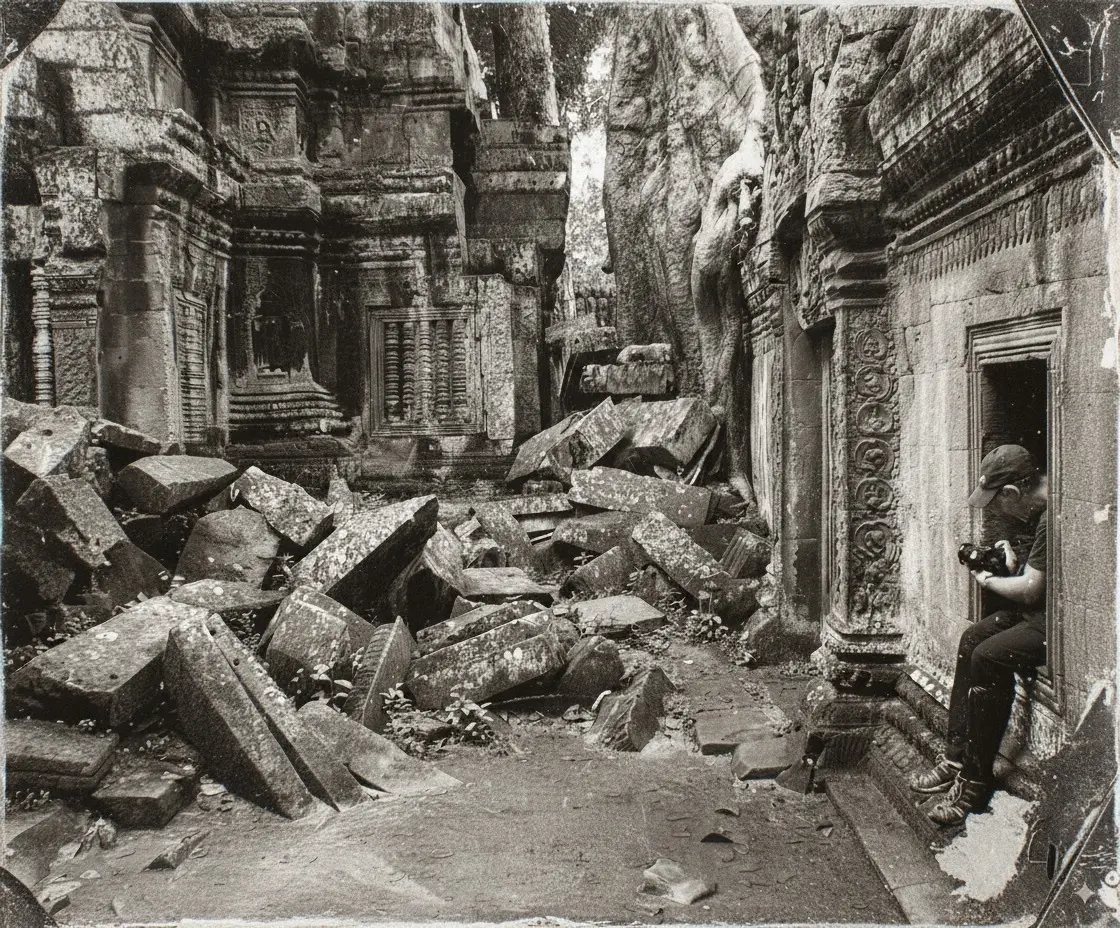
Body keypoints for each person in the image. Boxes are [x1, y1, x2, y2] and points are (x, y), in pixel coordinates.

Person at [909, 444, 1048, 826]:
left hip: (1049, 623)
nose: (998, 511)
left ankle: (975, 779)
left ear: (1011, 494)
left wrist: (987, 580)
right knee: (973, 638)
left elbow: (1032, 591)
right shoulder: (1037, 515)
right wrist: (1014, 561)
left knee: (988, 656)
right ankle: (956, 757)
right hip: (1036, 615)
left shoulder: (1051, 516)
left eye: (997, 503)